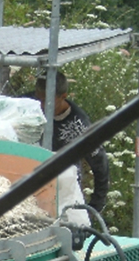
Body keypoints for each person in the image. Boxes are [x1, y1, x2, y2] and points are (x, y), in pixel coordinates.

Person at [33, 71, 109, 213]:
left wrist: (96, 206)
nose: (40, 105)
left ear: (63, 97)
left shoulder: (79, 126)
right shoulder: (30, 104)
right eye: (38, 98)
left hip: (65, 191)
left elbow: (100, 164)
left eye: (46, 100)